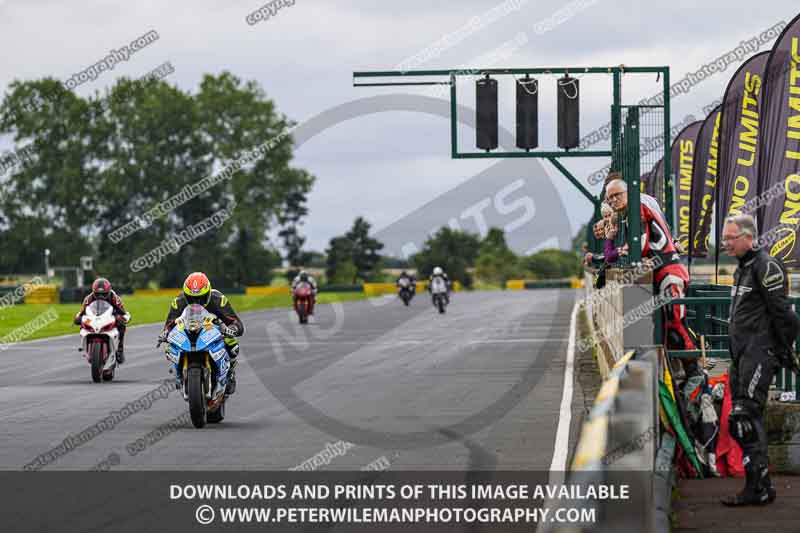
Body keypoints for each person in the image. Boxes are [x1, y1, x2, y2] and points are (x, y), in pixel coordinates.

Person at [720, 214, 799, 506]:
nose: (725, 243)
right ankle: (760, 485)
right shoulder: (743, 268)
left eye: (730, 238)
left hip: (758, 354)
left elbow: (787, 316)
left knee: (745, 417)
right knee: (740, 420)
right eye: (724, 238)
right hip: (741, 356)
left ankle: (758, 488)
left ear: (748, 237)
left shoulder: (766, 265)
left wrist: (780, 350)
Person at [604, 178, 700, 378]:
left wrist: (631, 252)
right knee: (666, 324)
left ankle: (695, 372)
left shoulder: (637, 206)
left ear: (628, 191)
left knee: (675, 322)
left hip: (669, 272)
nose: (613, 201)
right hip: (666, 270)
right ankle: (681, 373)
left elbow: (643, 241)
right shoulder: (644, 203)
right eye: (609, 198)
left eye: (616, 195)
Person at [157, 272, 244, 395]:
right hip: (189, 331)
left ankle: (230, 372)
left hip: (213, 330)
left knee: (232, 343)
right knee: (169, 346)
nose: (196, 302)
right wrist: (165, 334)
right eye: (191, 298)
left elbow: (237, 323)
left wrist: (232, 329)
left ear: (208, 293)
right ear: (186, 295)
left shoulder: (219, 299)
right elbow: (170, 324)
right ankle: (178, 373)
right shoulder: (179, 301)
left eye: (201, 298)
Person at [74, 278, 130, 364]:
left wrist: (123, 317)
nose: (100, 297)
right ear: (93, 292)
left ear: (108, 291)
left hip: (111, 316)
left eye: (103, 294)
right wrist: (78, 318)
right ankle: (84, 344)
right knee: (83, 322)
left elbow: (123, 311)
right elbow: (82, 312)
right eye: (98, 294)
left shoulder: (114, 298)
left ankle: (120, 349)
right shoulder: (88, 298)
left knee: (122, 325)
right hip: (93, 316)